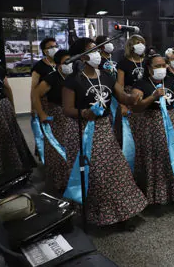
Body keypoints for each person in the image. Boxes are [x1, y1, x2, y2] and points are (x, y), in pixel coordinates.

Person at [62, 38, 147, 227]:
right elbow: (67, 109)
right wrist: (84, 113)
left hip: (103, 129)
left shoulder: (107, 75)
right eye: (91, 50)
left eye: (97, 50)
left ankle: (121, 213)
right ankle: (97, 214)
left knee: (115, 171)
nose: (96, 53)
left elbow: (122, 96)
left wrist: (133, 97)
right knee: (95, 174)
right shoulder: (74, 79)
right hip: (82, 130)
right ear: (80, 56)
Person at [130, 54, 174, 204]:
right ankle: (160, 194)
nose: (162, 68)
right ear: (149, 68)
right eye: (157, 66)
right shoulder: (141, 84)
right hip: (152, 123)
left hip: (172, 121)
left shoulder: (169, 80)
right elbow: (136, 107)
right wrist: (152, 97)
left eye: (163, 65)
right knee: (159, 156)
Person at [0, 40, 35, 182]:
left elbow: (7, 88)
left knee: (7, 140)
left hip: (2, 109)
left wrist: (12, 108)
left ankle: (13, 171)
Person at [32, 50, 78, 193]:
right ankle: (60, 183)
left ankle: (74, 180)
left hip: (74, 117)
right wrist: (41, 113)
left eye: (70, 61)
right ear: (58, 65)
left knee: (74, 148)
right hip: (57, 117)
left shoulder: (76, 77)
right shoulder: (52, 78)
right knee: (58, 151)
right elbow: (36, 94)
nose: (68, 65)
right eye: (65, 62)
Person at [116, 35, 147, 141]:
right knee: (134, 129)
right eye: (137, 43)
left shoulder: (147, 61)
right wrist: (122, 105)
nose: (141, 45)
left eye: (142, 43)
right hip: (130, 96)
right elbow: (120, 86)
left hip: (147, 95)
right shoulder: (124, 63)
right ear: (131, 46)